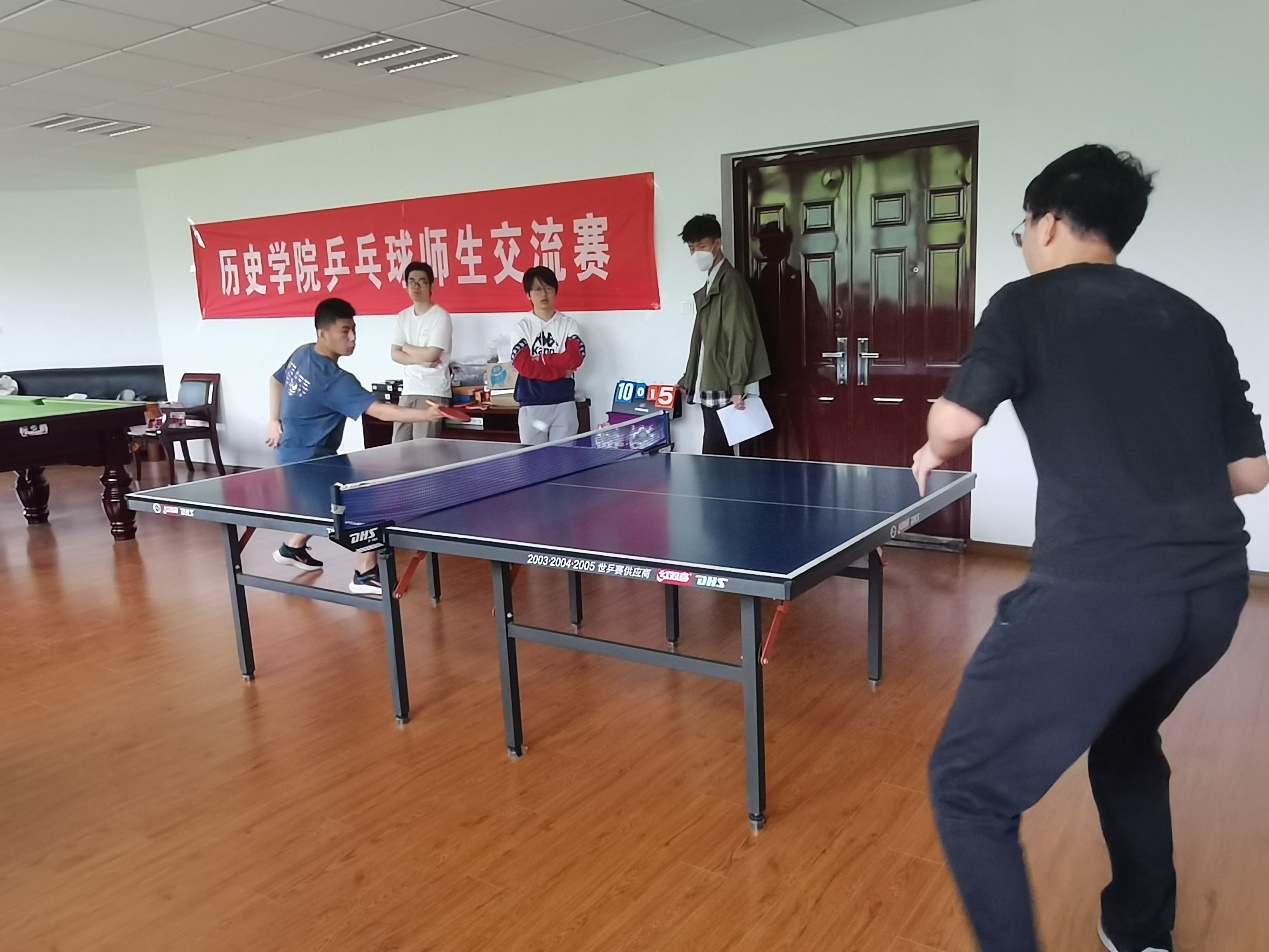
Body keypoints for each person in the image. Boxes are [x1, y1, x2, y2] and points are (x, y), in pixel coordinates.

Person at [912, 145, 1268, 952]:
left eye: (1021, 228)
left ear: (1044, 223)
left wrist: (933, 443)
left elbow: (955, 423)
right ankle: (1141, 932)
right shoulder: (1191, 318)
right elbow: (1249, 474)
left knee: (966, 789)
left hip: (1101, 596)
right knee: (1125, 738)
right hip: (1214, 594)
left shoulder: (1026, 303)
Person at [267, 297, 443, 595]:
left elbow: (275, 380)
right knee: (367, 499)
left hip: (298, 455)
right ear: (323, 333)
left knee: (328, 504)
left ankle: (292, 547)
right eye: (344, 331)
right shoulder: (335, 380)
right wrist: (427, 415)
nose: (352, 338)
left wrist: (273, 420)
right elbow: (381, 411)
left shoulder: (303, 352)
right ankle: (366, 573)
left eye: (354, 330)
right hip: (308, 462)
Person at [676, 213, 771, 455]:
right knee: (716, 446)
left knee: (715, 448)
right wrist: (688, 378)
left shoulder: (731, 283)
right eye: (691, 248)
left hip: (723, 380)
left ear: (717, 243)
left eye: (701, 246)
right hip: (711, 378)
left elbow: (740, 336)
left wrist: (737, 386)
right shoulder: (713, 281)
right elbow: (702, 340)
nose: (696, 253)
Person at [510, 266, 585, 444]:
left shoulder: (568, 324)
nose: (544, 294)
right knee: (534, 459)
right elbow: (525, 366)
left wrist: (543, 359)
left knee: (566, 457)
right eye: (537, 289)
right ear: (528, 295)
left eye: (548, 288)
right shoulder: (522, 327)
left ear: (555, 292)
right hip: (532, 404)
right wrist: (561, 371)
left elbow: (574, 358)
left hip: (564, 403)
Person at [390, 261, 453, 441]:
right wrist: (421, 360)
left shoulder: (441, 316)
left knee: (424, 450)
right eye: (411, 282)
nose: (416, 286)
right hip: (409, 389)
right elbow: (394, 354)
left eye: (421, 282)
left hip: (432, 390)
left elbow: (432, 354)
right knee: (398, 447)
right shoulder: (403, 316)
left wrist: (406, 347)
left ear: (431, 286)